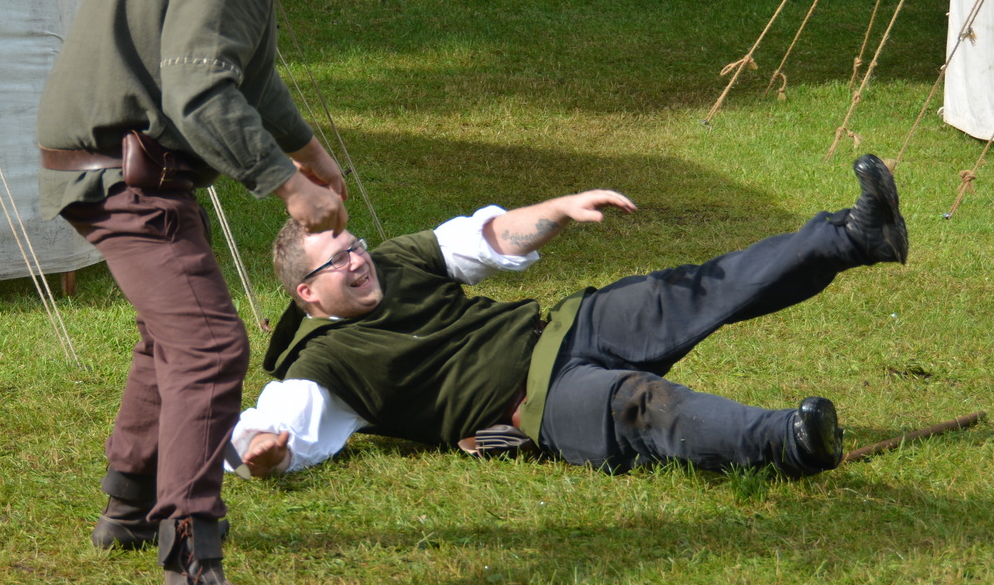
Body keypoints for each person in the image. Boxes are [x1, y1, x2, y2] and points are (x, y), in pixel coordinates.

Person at [35, 0, 351, 585]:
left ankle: (128, 507)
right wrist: (286, 184)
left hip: (123, 171)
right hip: (127, 180)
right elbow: (201, 89)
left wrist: (308, 148)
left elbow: (250, 74)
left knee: (170, 338)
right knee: (211, 345)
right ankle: (193, 579)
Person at [231, 156, 911, 479]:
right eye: (338, 261)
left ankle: (852, 236)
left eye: (352, 246)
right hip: (536, 404)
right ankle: (789, 442)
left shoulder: (395, 258)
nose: (357, 260)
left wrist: (558, 208)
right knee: (642, 406)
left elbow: (488, 236)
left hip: (563, 328)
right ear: (307, 295)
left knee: (686, 290)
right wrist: (264, 452)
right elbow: (267, 430)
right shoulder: (318, 366)